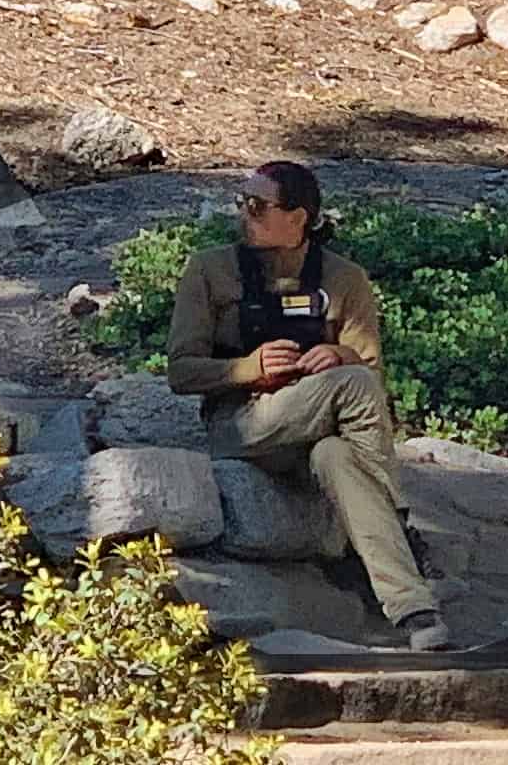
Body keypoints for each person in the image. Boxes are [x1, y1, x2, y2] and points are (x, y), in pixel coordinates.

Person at [165, 162, 451, 651]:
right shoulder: (210, 270)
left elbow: (370, 371)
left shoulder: (344, 279)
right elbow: (180, 372)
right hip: (242, 424)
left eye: (258, 207)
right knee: (354, 384)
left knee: (339, 457)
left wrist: (338, 354)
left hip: (312, 433)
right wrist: (246, 368)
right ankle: (400, 521)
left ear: (299, 218)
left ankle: (412, 610)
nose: (245, 215)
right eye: (243, 203)